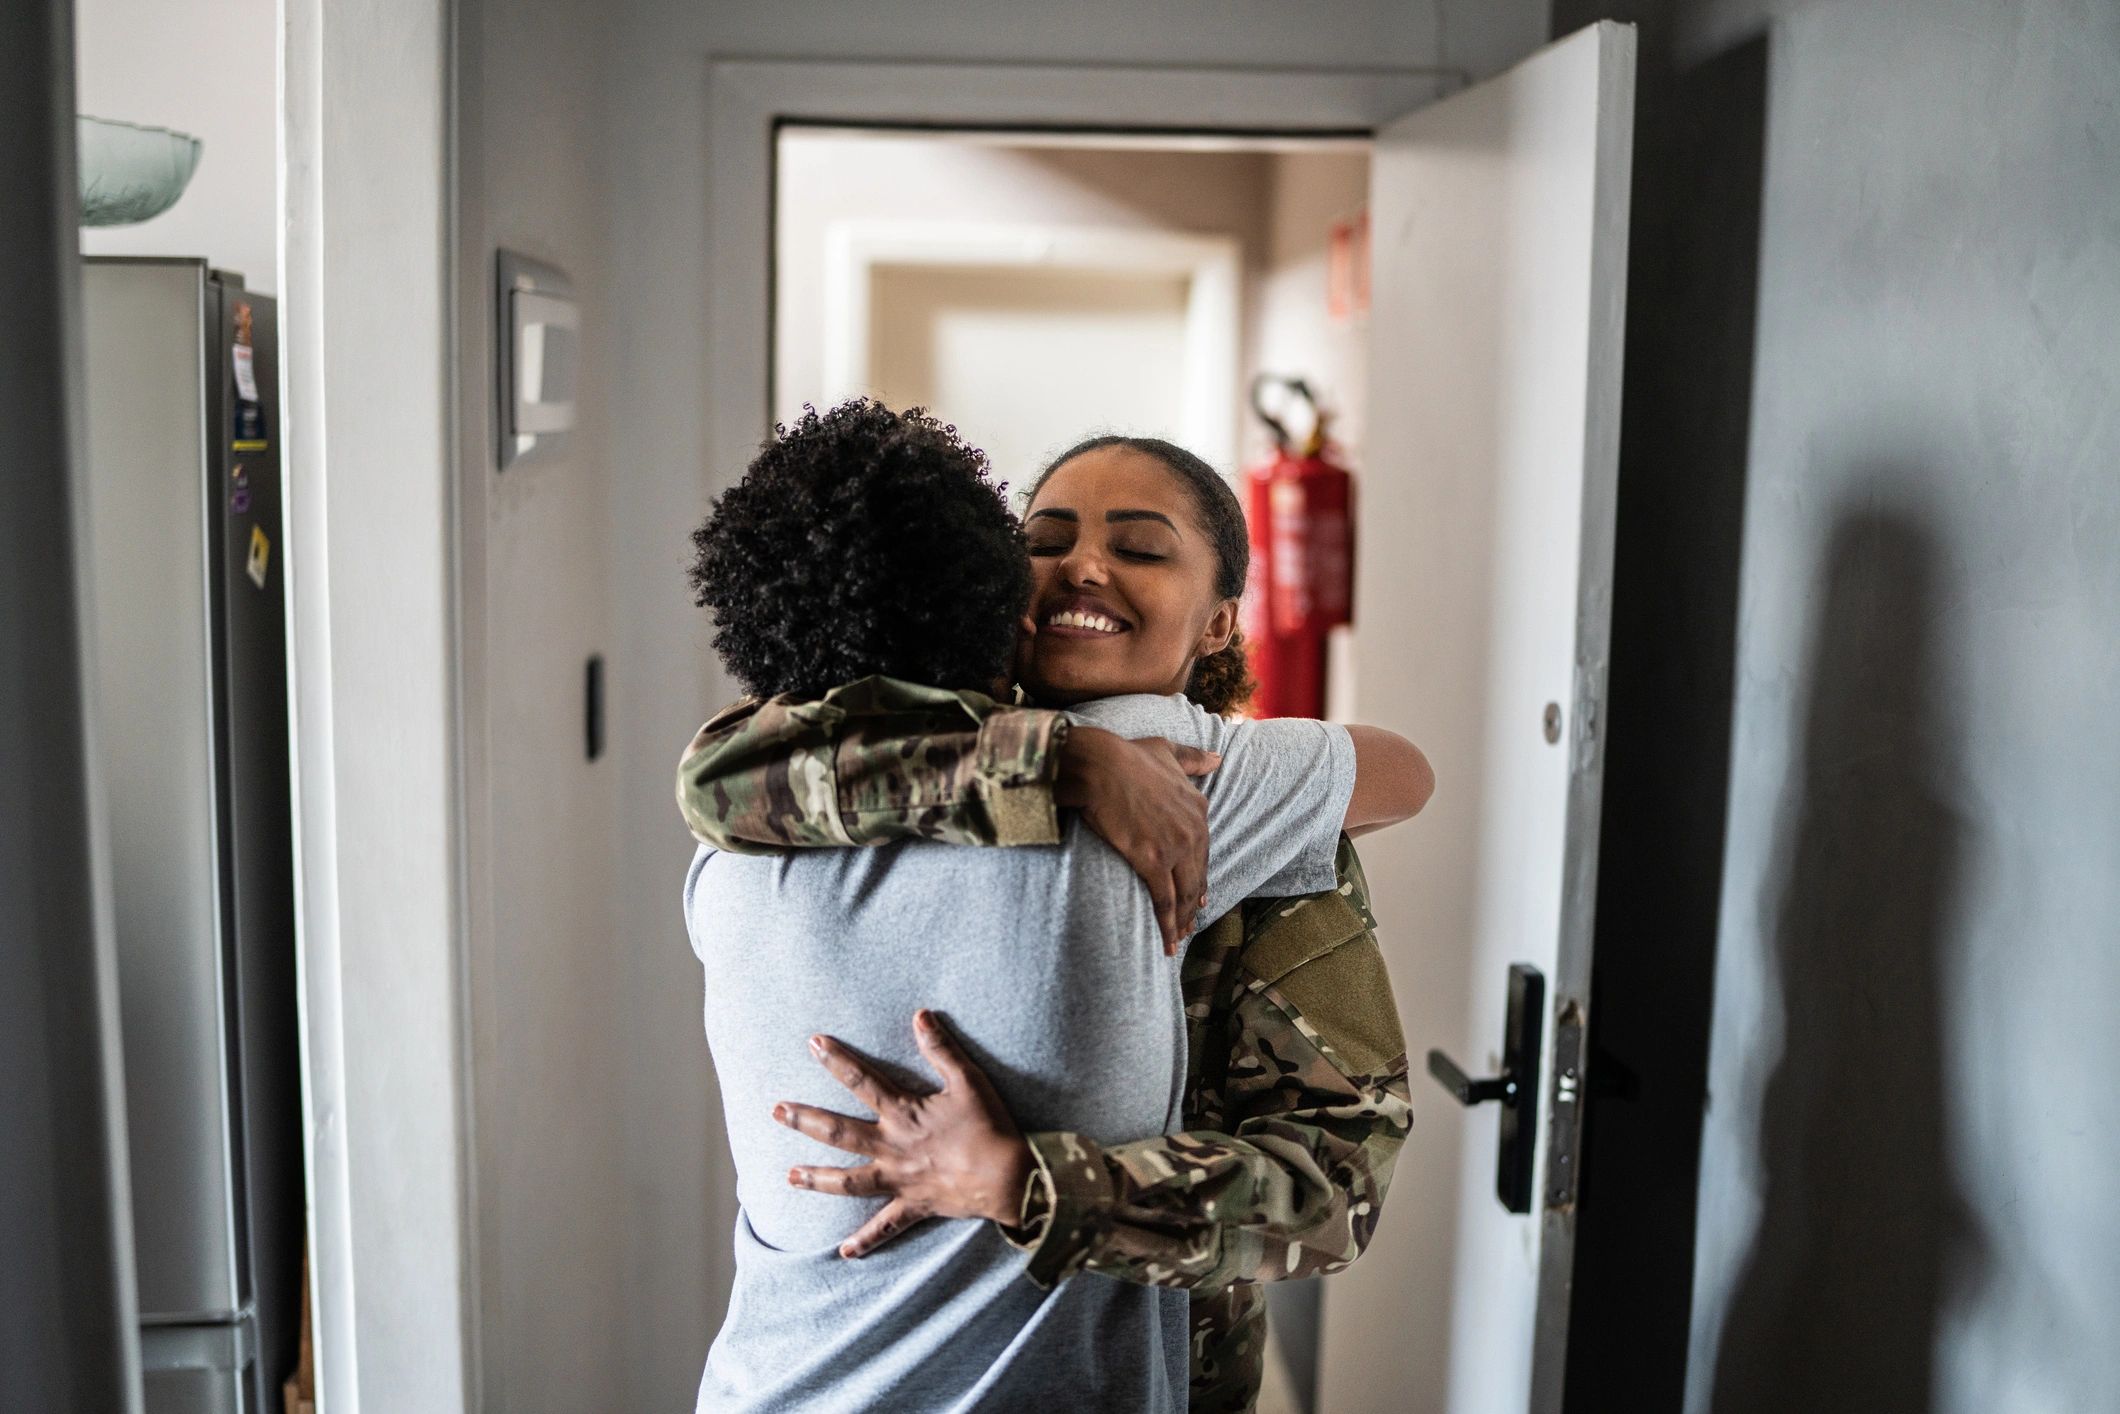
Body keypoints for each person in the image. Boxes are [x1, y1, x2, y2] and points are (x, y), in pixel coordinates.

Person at [679, 421, 1432, 1411]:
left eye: (1139, 547)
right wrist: (1057, 760)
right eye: (1045, 541)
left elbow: (1330, 1193)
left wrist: (1042, 1187)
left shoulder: (1254, 812)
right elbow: (723, 770)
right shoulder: (871, 768)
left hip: (1155, 1357)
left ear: (1216, 621)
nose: (1082, 567)